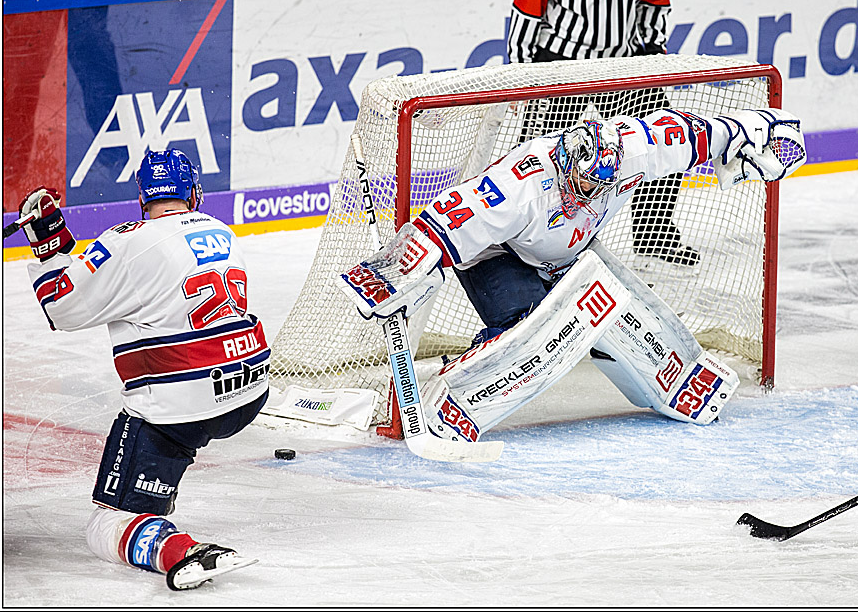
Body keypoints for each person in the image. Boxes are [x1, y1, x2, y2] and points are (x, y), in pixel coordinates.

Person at [341, 107, 806, 439]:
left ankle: (675, 373)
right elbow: (447, 220)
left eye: (600, 188)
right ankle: (457, 394)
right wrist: (394, 274)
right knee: (533, 332)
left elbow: (702, 133)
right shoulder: (519, 185)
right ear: (565, 162)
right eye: (583, 185)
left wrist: (765, 135)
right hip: (496, 254)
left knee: (610, 308)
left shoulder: (632, 150)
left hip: (566, 252)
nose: (588, 197)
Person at [21, 149, 269, 591]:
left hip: (181, 406)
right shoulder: (224, 231)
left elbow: (61, 308)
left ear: (142, 198)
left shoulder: (125, 239)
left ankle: (182, 551)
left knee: (107, 524)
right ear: (194, 193)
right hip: (249, 389)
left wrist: (48, 245)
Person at [506, 0, 697, 265]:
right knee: (539, 161)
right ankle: (521, 247)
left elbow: (655, 0)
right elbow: (527, 8)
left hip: (623, 66)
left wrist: (651, 59)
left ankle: (656, 237)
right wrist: (523, 74)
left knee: (667, 137)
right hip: (563, 69)